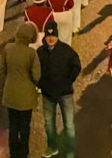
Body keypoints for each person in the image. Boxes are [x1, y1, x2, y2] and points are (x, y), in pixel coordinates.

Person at [37, 22, 81, 158]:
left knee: (69, 124)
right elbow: (35, 70)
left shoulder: (66, 50)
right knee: (49, 124)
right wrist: (41, 84)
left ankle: (70, 150)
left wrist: (68, 81)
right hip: (48, 93)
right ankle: (52, 147)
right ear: (45, 36)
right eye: (49, 36)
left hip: (65, 93)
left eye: (53, 36)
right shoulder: (39, 53)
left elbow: (76, 66)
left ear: (57, 36)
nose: (51, 39)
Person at [1, 23, 41, 158]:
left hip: (10, 92)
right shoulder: (31, 53)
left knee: (13, 124)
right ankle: (23, 152)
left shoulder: (8, 48)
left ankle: (13, 151)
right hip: (26, 96)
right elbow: (36, 75)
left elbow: (3, 69)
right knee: (24, 126)